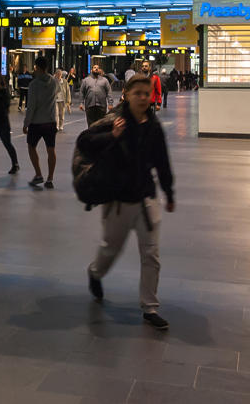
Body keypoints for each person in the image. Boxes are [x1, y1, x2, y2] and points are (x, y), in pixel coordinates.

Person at [80, 75, 175, 330]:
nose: (144, 98)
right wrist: (111, 136)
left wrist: (169, 192)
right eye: (138, 94)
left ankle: (150, 307)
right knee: (110, 249)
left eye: (147, 94)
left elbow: (162, 161)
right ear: (127, 96)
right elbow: (85, 142)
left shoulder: (153, 126)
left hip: (146, 199)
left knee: (151, 254)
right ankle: (95, 272)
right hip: (119, 202)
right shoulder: (114, 120)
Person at [23, 57, 58, 190]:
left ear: (37, 67)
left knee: (31, 147)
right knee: (51, 150)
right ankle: (50, 178)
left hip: (37, 123)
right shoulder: (54, 82)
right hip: (50, 122)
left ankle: (38, 174)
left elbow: (31, 106)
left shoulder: (33, 85)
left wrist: (26, 123)